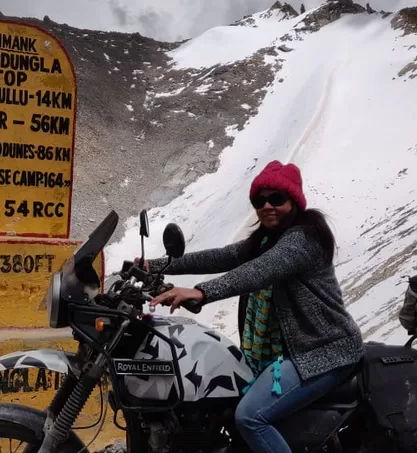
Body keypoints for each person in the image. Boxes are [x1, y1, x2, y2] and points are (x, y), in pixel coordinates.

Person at [143, 160, 364, 453]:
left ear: (294, 201)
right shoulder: (265, 240)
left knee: (250, 417)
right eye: (260, 200)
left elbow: (259, 271)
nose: (267, 206)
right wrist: (155, 266)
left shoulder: (303, 239)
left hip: (323, 351)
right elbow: (219, 257)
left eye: (277, 198)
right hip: (288, 353)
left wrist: (201, 292)